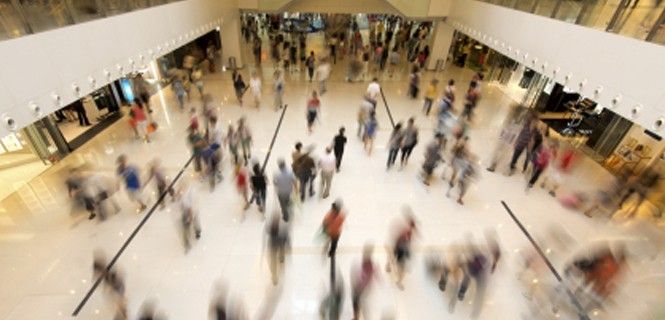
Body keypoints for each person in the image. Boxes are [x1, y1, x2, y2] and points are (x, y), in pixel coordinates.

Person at [386, 214, 417, 289]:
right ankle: (397, 277)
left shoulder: (408, 232)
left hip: (401, 250)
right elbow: (399, 240)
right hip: (400, 250)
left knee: (395, 259)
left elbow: (405, 241)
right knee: (397, 262)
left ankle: (389, 267)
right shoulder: (405, 232)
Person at [351, 245, 378, 320]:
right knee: (356, 303)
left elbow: (368, 278)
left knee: (358, 303)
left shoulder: (370, 266)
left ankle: (356, 316)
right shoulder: (366, 264)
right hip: (359, 288)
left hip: (361, 289)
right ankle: (356, 316)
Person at [265, 214, 290, 285]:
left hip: (274, 246)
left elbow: (287, 237)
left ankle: (274, 276)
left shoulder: (272, 228)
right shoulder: (283, 228)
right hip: (277, 246)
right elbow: (287, 238)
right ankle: (274, 276)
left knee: (273, 262)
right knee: (274, 260)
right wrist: (288, 245)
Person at [179, 181, 201, 252]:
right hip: (186, 212)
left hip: (190, 211)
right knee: (186, 227)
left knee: (194, 222)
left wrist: (191, 215)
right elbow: (181, 203)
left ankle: (197, 231)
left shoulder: (189, 194)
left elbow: (191, 206)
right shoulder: (183, 193)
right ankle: (186, 242)